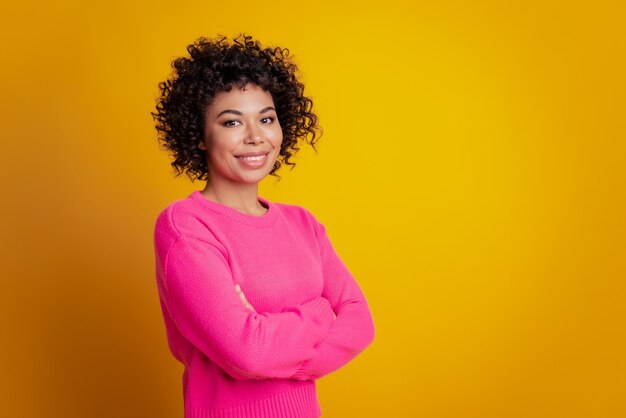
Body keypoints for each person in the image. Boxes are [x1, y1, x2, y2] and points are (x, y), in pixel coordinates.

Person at [151, 33, 375, 418]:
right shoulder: (186, 227)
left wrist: (275, 343)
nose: (255, 137)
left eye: (266, 118)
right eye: (232, 121)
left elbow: (360, 321)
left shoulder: (303, 223)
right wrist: (320, 312)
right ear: (201, 136)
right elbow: (247, 353)